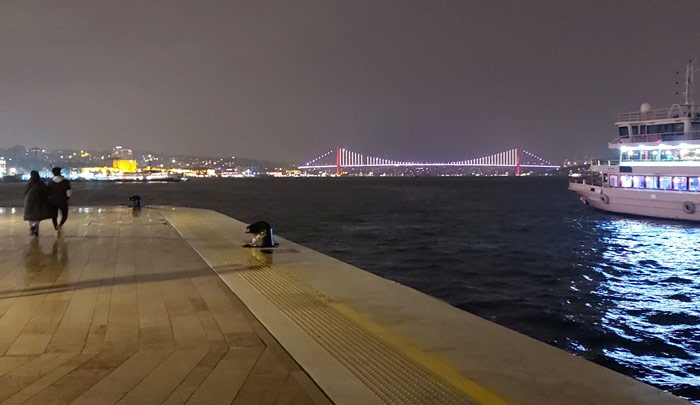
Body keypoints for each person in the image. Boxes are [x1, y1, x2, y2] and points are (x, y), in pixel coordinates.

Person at [23, 171, 52, 236]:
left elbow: (25, 192)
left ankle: (32, 226)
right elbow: (46, 192)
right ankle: (36, 226)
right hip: (39, 201)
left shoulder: (29, 183)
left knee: (30, 216)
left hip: (29, 201)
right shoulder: (41, 183)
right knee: (37, 216)